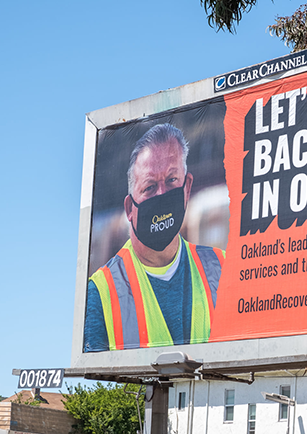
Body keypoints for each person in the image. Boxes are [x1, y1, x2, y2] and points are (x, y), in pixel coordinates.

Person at [83, 123, 224, 352]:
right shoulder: (100, 293)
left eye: (171, 180)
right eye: (149, 187)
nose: (162, 195)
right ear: (130, 208)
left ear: (187, 188)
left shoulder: (223, 268)